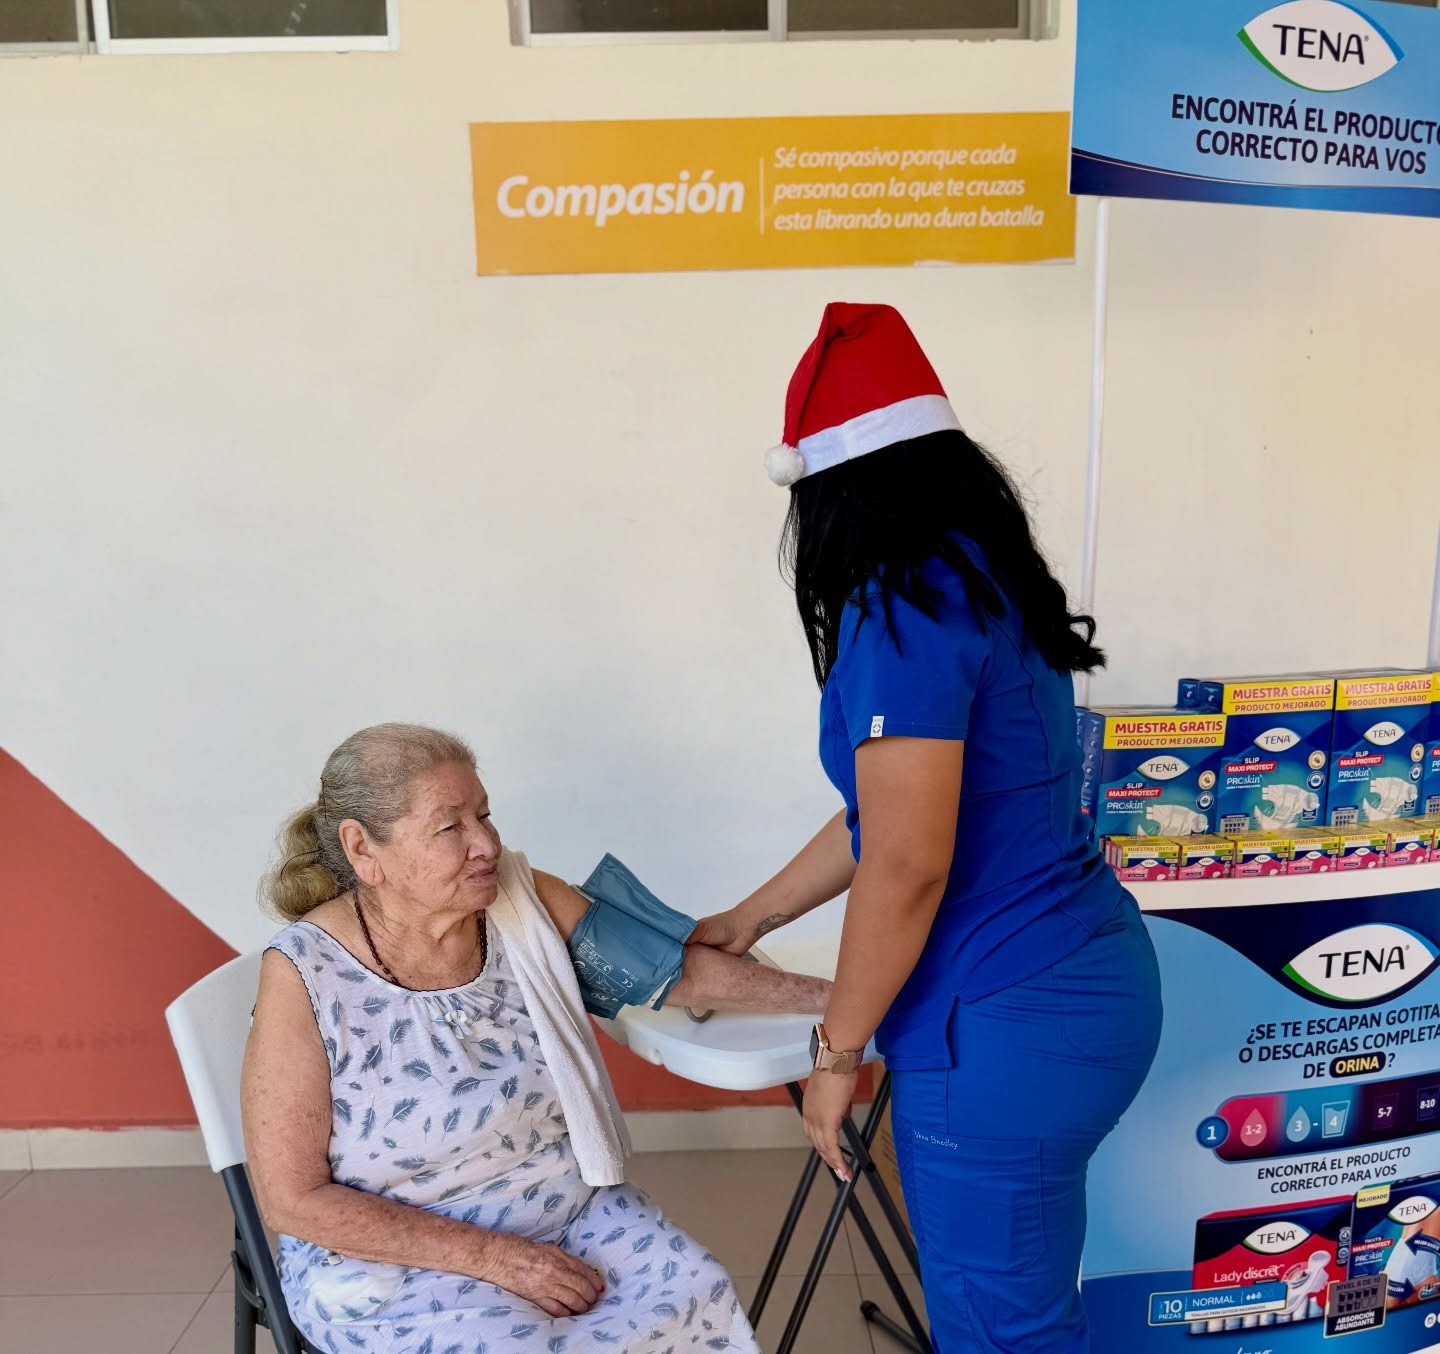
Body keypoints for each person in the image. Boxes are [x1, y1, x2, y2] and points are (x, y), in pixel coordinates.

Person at [692, 304, 1164, 1352]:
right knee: (1025, 1306)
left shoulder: (900, 609)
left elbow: (906, 862)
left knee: (1003, 1329)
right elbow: (889, 820)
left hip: (1005, 1021)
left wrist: (835, 1057)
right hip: (1084, 980)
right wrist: (750, 918)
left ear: (831, 493)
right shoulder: (982, 577)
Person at [242, 722, 831, 1354]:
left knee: (696, 1288)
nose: (486, 845)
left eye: (485, 815)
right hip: (392, 1258)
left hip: (566, 1210)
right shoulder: (305, 973)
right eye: (450, 827)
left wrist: (845, 1000)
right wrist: (499, 1260)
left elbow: (675, 974)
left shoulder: (519, 902)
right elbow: (292, 1200)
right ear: (363, 849)